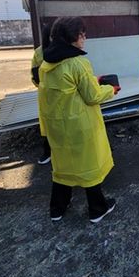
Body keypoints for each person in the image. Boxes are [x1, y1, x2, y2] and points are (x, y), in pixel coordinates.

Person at [38, 17, 120, 223]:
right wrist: (111, 89)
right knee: (88, 165)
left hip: (57, 124)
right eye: (81, 35)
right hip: (79, 124)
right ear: (71, 38)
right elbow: (92, 96)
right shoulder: (78, 63)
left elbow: (68, 87)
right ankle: (98, 209)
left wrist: (94, 80)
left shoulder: (46, 63)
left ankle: (57, 209)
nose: (84, 38)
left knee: (62, 166)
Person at [31, 22, 53, 165]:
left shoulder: (70, 50)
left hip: (66, 95)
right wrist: (41, 83)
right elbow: (34, 74)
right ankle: (48, 151)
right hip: (46, 94)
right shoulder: (39, 52)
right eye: (52, 36)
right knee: (48, 124)